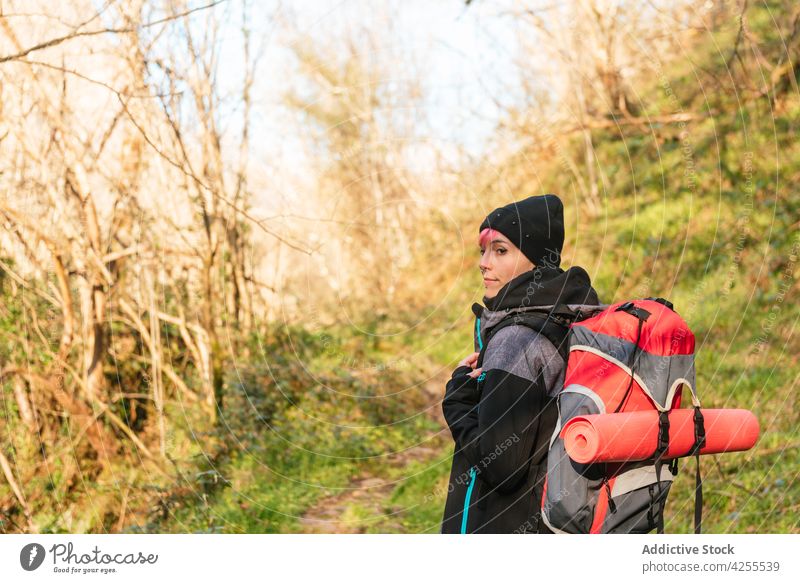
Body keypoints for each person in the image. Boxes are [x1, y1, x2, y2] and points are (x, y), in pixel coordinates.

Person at [440, 194, 600, 534]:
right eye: (483, 251)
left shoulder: (515, 342)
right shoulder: (563, 317)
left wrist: (457, 397)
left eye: (500, 251)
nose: (484, 262)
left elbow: (500, 465)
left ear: (537, 261)